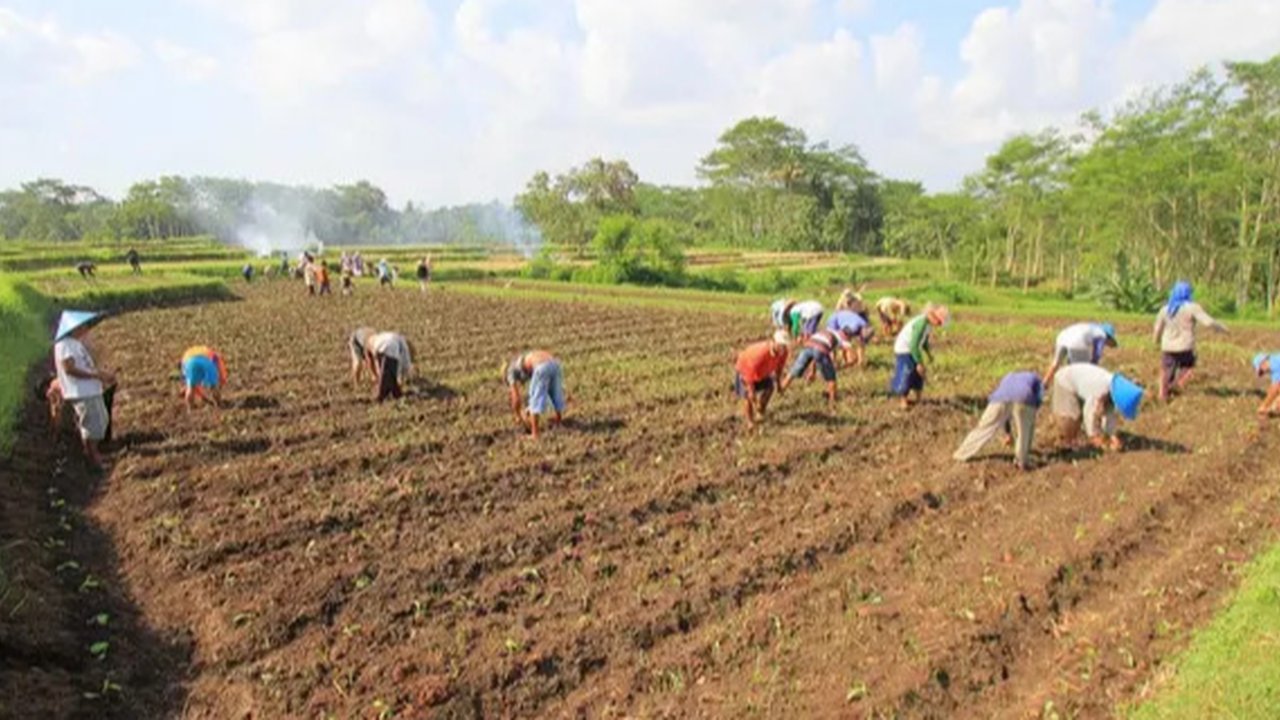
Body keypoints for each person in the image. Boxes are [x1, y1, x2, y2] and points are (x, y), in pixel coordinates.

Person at [53, 311, 115, 469]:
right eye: (83, 326)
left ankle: (92, 453)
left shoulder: (74, 344)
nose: (86, 328)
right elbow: (70, 369)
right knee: (92, 426)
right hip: (81, 391)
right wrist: (96, 375)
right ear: (74, 328)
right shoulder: (65, 345)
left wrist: (98, 376)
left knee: (101, 422)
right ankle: (93, 458)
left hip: (90, 390)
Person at [953, 371, 1043, 470]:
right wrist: (1028, 417)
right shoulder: (1037, 381)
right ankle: (1021, 461)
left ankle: (961, 453)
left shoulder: (1008, 377)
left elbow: (1005, 414)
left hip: (999, 398)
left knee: (983, 427)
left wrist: (1008, 433)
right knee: (1024, 432)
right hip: (1024, 397)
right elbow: (1037, 402)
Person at [1153, 281, 1226, 402]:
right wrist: (1221, 328)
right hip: (1185, 346)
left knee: (1166, 370)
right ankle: (1178, 385)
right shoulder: (1191, 307)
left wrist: (1155, 341)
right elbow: (1208, 322)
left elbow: (1157, 328)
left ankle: (1163, 394)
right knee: (1188, 367)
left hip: (1167, 346)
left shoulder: (1165, 309)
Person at [1051, 363, 1143, 451]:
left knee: (1078, 417)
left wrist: (1113, 437)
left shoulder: (1113, 392)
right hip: (1065, 381)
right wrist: (1096, 439)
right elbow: (1089, 414)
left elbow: (1110, 416)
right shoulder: (1100, 390)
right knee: (1072, 416)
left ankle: (1073, 441)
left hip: (1079, 384)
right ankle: (1067, 443)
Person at [891, 304, 950, 409]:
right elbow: (913, 344)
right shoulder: (921, 323)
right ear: (934, 316)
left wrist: (928, 354)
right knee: (907, 372)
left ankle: (918, 398)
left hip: (913, 349)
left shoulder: (928, 325)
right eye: (939, 322)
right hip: (904, 349)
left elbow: (923, 341)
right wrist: (919, 363)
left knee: (918, 375)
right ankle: (903, 400)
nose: (939, 325)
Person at [734, 331, 791, 430]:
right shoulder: (759, 354)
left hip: (763, 371)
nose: (783, 348)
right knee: (748, 397)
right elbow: (748, 372)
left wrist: (779, 384)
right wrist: (751, 390)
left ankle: (760, 410)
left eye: (785, 345)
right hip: (745, 369)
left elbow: (779, 369)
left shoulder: (783, 352)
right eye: (781, 345)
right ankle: (750, 422)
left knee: (770, 388)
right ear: (774, 342)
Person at [781, 328, 849, 411]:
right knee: (831, 378)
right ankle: (832, 403)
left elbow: (814, 354)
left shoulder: (828, 330)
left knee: (793, 371)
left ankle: (781, 390)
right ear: (846, 335)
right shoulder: (841, 339)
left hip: (807, 346)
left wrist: (812, 371)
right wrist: (844, 365)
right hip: (821, 349)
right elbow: (822, 352)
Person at [505, 350, 567, 439]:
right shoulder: (522, 361)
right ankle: (558, 419)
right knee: (555, 393)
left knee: (535, 398)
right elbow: (543, 388)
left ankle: (535, 434)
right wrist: (528, 409)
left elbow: (516, 398)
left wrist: (517, 415)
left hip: (542, 366)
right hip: (555, 363)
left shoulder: (510, 372)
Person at [1044, 322, 1117, 384]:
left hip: (1062, 337)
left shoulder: (1091, 327)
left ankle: (1044, 384)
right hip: (1077, 341)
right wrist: (1093, 367)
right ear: (1109, 337)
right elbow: (1097, 354)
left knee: (1055, 364)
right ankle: (1074, 390)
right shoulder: (1102, 334)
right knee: (1080, 370)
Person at [365, 331, 413, 401]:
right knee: (387, 374)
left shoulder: (393, 336)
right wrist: (404, 377)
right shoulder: (403, 344)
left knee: (389, 373)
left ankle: (396, 393)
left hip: (377, 346)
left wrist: (375, 374)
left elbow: (373, 359)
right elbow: (405, 364)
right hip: (387, 347)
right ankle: (380, 396)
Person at [180, 346, 226, 411]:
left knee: (191, 387)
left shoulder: (184, 360)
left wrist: (201, 396)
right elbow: (220, 366)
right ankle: (218, 403)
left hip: (190, 362)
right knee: (213, 386)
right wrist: (222, 378)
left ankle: (190, 408)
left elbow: (188, 378)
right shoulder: (213, 354)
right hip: (206, 361)